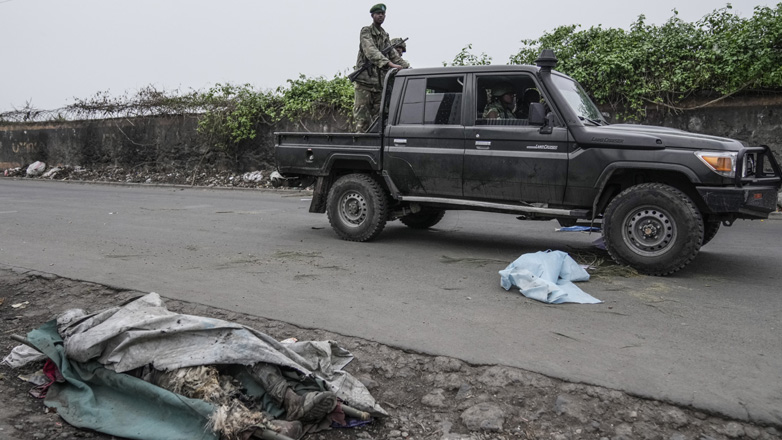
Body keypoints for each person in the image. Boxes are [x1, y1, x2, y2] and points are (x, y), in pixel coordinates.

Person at [353, 3, 410, 132]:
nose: (381, 16)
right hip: (365, 83)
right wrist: (389, 64)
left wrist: (407, 67)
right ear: (372, 15)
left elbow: (394, 56)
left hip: (379, 85)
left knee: (379, 119)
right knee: (363, 121)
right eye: (378, 13)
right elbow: (371, 51)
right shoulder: (366, 31)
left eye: (383, 14)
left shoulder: (385, 35)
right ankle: (362, 146)